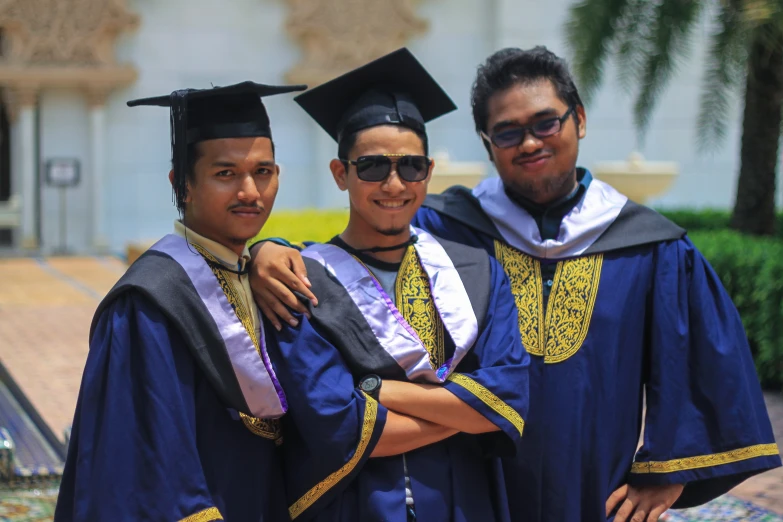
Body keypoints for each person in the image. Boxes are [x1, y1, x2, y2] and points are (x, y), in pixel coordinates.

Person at [250, 47, 782, 522]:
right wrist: (267, 250)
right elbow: (360, 253)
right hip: (473, 486)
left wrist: (668, 471)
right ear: (487, 143)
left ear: (579, 120)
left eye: (546, 123)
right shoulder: (448, 227)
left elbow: (694, 360)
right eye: (507, 132)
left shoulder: (650, 245)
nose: (529, 142)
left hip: (596, 488)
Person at [261, 48, 529, 522]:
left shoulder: (479, 273)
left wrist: (374, 389)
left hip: (463, 504)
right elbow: (336, 424)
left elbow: (508, 400)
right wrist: (465, 413)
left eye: (410, 166)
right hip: (354, 506)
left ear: (427, 173)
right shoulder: (301, 280)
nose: (393, 183)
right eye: (371, 167)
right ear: (341, 174)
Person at [55, 81, 305, 522]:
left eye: (263, 172)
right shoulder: (149, 302)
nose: (250, 191)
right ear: (183, 184)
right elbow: (146, 466)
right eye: (225, 174)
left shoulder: (264, 275)